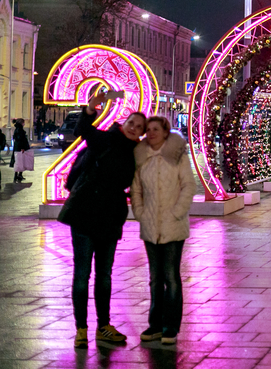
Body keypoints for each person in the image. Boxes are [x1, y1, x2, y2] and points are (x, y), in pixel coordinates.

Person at [57, 92, 146, 348]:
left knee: (104, 275)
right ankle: (82, 329)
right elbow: (83, 128)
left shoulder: (137, 154)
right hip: (85, 213)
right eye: (132, 123)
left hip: (110, 217)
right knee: (82, 274)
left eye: (138, 127)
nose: (134, 129)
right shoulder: (105, 139)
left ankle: (104, 326)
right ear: (124, 122)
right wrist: (92, 107)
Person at [131, 117, 195, 345]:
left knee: (171, 276)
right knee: (154, 279)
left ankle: (171, 327)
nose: (150, 133)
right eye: (148, 130)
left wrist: (177, 212)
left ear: (166, 132)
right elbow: (136, 189)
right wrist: (139, 213)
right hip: (150, 227)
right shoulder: (141, 157)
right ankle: (155, 324)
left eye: (155, 129)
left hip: (173, 226)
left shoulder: (177, 156)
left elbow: (189, 185)